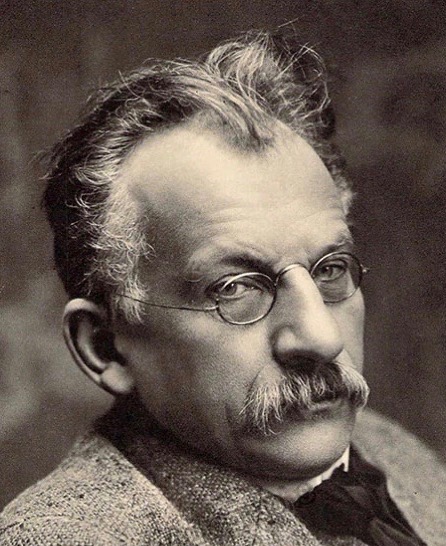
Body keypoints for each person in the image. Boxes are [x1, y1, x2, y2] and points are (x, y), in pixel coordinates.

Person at [1, 31, 445, 546]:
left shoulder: (398, 453)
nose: (323, 338)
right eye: (235, 287)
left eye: (329, 270)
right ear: (106, 347)